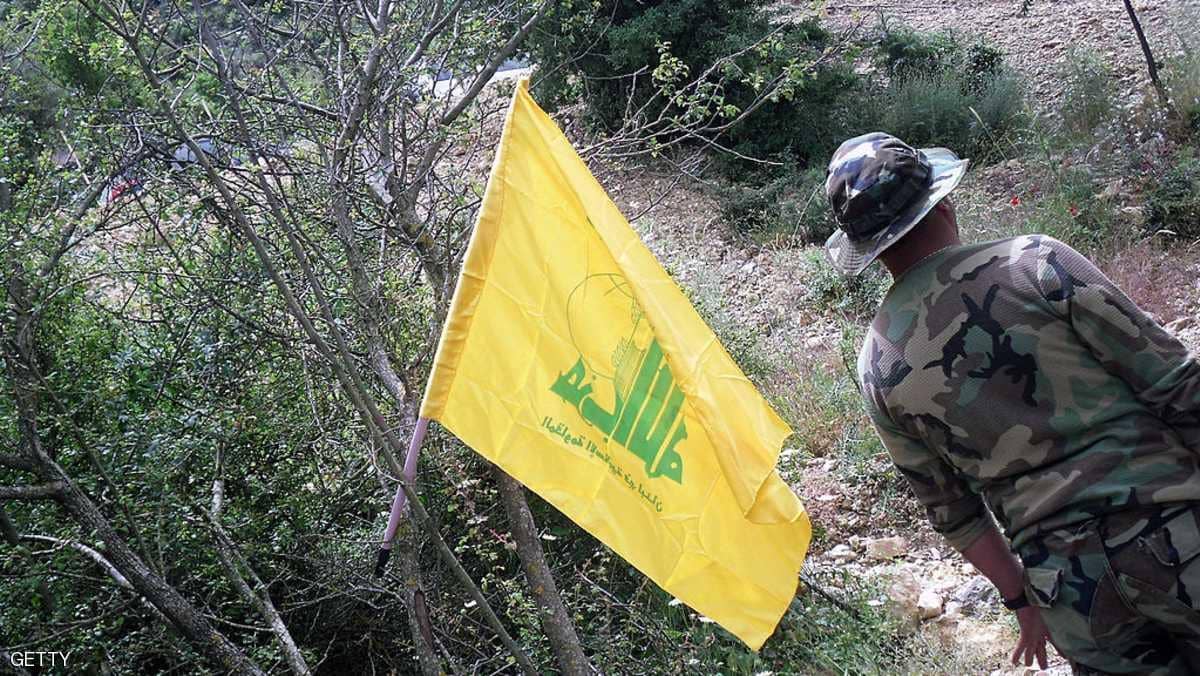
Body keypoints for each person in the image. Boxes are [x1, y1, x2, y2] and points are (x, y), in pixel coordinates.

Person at [823, 132, 1200, 674]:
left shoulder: (876, 367)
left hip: (1071, 589)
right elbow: (1175, 380)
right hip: (1175, 526)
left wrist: (1021, 601)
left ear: (869, 249)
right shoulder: (1036, 263)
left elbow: (953, 513)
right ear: (943, 201)